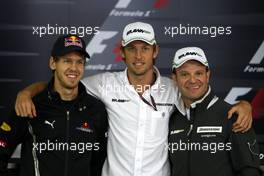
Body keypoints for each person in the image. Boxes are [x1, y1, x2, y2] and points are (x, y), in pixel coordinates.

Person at [14, 22, 253, 176]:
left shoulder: (173, 87)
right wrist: (26, 93)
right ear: (122, 53)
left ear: (155, 51)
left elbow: (203, 98)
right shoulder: (105, 84)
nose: (138, 56)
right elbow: (64, 82)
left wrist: (243, 106)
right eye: (132, 48)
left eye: (145, 48)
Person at [0, 34, 108, 176]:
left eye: (79, 62)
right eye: (67, 61)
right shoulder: (30, 104)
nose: (74, 68)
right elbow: (2, 147)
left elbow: (98, 163)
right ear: (53, 63)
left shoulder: (95, 109)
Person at [169, 47, 262, 176]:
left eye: (198, 73)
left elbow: (250, 171)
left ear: (208, 75)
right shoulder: (172, 118)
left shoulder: (233, 116)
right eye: (184, 74)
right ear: (174, 78)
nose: (192, 80)